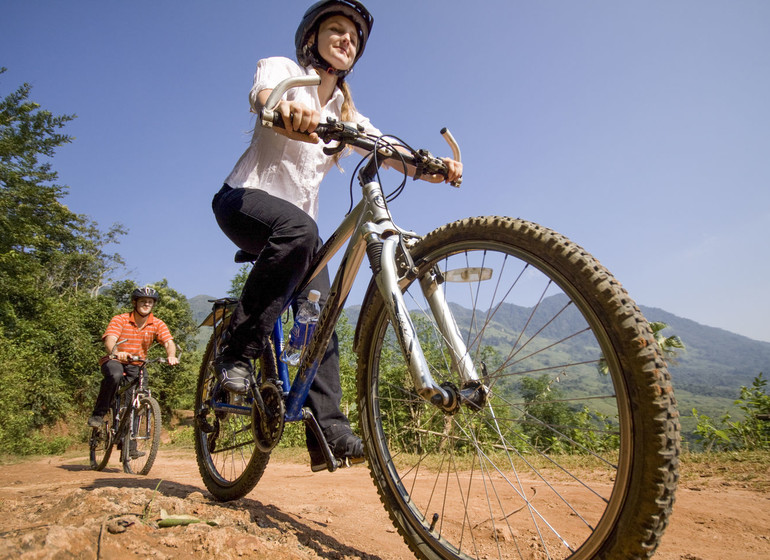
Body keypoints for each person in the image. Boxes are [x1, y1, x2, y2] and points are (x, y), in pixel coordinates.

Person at [211, 0, 462, 470]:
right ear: (313, 38)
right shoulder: (285, 69)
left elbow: (389, 150)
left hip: (297, 236)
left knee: (318, 312)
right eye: (337, 29)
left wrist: (432, 167)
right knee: (302, 231)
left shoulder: (348, 114)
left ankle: (327, 426)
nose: (347, 39)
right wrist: (284, 107)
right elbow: (265, 94)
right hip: (242, 201)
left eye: (354, 36)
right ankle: (236, 355)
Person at [88, 287, 179, 457]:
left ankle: (129, 446)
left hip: (137, 365)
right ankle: (98, 414)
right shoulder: (120, 319)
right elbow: (110, 339)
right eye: (143, 300)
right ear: (134, 303)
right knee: (114, 376)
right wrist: (116, 351)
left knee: (137, 401)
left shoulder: (157, 323)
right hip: (115, 360)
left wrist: (171, 356)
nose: (146, 303)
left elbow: (168, 342)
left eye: (150, 301)